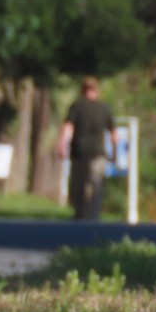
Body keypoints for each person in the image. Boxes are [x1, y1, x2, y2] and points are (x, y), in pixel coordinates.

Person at [56, 76, 116, 220]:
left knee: (79, 186)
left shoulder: (77, 106)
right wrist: (114, 153)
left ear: (82, 90)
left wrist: (62, 144)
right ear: (97, 90)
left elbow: (69, 127)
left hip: (80, 153)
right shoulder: (105, 108)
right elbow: (114, 134)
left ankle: (81, 215)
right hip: (98, 154)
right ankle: (94, 217)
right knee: (97, 186)